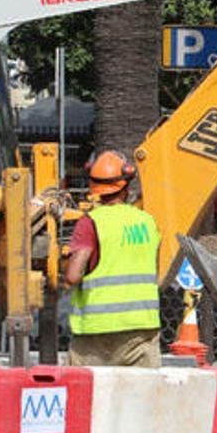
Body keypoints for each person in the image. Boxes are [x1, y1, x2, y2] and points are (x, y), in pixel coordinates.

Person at [64, 150, 162, 367]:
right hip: (141, 330)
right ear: (126, 187)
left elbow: (72, 276)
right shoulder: (148, 222)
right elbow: (156, 271)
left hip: (95, 334)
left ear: (93, 186)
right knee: (141, 397)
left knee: (87, 397)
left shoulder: (91, 223)